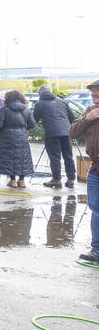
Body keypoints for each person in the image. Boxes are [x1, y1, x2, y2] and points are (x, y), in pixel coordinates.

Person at [69, 80, 99, 264]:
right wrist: (87, 119)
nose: (95, 99)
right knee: (96, 211)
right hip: (95, 169)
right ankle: (96, 251)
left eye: (98, 96)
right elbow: (72, 132)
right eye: (93, 96)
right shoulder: (89, 111)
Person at [34, 84, 76, 189]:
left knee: (55, 157)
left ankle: (57, 179)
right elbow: (72, 117)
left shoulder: (40, 104)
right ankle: (71, 179)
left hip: (52, 133)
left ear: (40, 94)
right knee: (68, 156)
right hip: (67, 132)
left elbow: (34, 120)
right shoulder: (62, 102)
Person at [0, 90, 36, 189]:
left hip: (7, 137)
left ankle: (13, 180)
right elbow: (32, 124)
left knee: (10, 158)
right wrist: (23, 129)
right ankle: (22, 181)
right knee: (22, 157)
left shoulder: (4, 110)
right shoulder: (26, 110)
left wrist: (2, 130)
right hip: (22, 136)